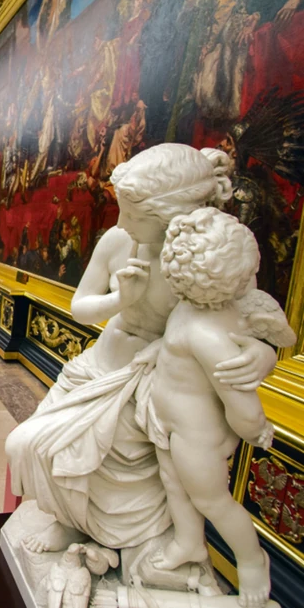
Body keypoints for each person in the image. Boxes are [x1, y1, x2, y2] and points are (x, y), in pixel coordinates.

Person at [5, 145, 279, 554]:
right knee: (26, 444)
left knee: (98, 463)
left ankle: (103, 533)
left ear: (172, 215)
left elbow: (246, 325)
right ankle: (69, 521)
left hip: (160, 384)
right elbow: (81, 307)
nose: (121, 222)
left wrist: (263, 354)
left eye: (135, 215)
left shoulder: (211, 257)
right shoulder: (119, 241)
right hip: (100, 368)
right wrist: (120, 300)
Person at [142, 208, 278, 605]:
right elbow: (176, 345)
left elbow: (241, 402)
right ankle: (189, 542)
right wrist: (158, 352)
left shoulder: (210, 335)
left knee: (212, 500)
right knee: (174, 483)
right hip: (171, 422)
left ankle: (252, 561)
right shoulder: (192, 309)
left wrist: (255, 426)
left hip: (198, 435)